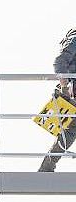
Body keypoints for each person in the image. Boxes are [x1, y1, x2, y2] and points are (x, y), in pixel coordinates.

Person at [39, 28, 76, 172]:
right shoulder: (75, 39)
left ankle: (47, 167)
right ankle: (47, 166)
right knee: (70, 130)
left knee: (70, 131)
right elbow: (60, 61)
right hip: (72, 91)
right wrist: (65, 86)